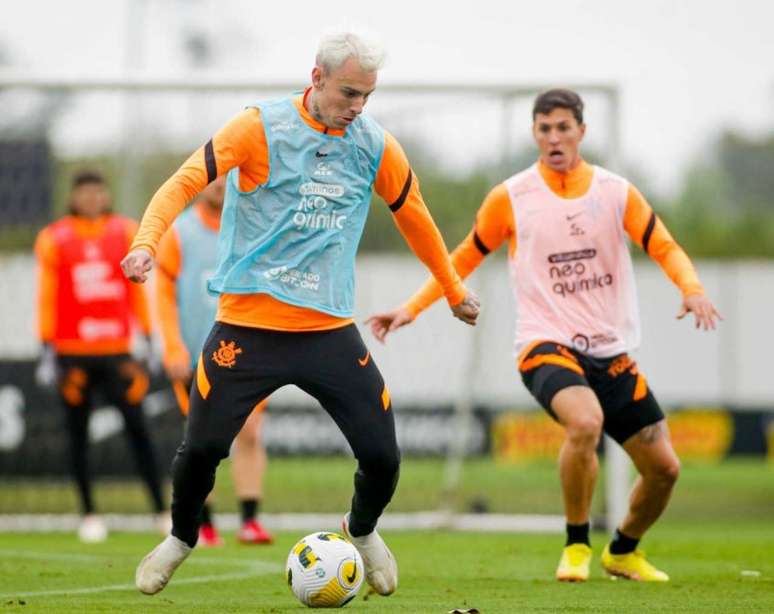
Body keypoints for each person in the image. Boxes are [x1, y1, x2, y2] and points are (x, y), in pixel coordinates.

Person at [121, 30, 480, 596]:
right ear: (316, 78)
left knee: (383, 456)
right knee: (203, 451)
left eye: (366, 96)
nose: (357, 107)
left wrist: (453, 288)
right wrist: (146, 241)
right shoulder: (258, 126)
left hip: (328, 332)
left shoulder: (374, 145)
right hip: (246, 329)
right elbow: (186, 180)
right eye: (348, 94)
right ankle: (181, 538)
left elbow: (414, 215)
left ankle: (360, 531)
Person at [366, 89, 721, 583]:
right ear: (534, 133)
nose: (554, 137)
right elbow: (464, 256)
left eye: (563, 127)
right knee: (585, 423)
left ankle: (622, 552)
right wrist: (412, 308)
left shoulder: (615, 191)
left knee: (665, 469)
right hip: (543, 343)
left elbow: (663, 244)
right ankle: (576, 545)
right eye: (544, 129)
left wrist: (693, 289)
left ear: (581, 131)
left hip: (609, 351)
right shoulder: (511, 197)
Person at [34, 170, 168, 543]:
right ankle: (89, 513)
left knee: (139, 431)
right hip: (73, 355)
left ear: (106, 195)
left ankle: (161, 510)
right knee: (77, 436)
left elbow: (138, 290)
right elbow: (47, 294)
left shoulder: (125, 231)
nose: (92, 199)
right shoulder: (54, 238)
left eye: (98, 192)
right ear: (73, 197)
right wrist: (46, 346)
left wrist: (147, 336)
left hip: (117, 354)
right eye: (85, 193)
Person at [156, 174, 273, 546]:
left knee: (251, 433)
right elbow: (162, 294)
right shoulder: (181, 232)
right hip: (196, 354)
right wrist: (173, 347)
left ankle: (250, 520)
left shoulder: (254, 228)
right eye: (216, 178)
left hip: (248, 351)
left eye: (231, 177)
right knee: (200, 440)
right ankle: (203, 523)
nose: (222, 184)